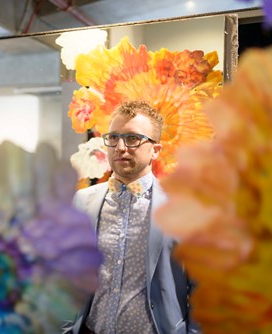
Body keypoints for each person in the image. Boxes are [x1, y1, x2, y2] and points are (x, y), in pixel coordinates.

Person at [64, 101, 199, 334]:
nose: (120, 147)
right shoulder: (81, 202)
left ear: (155, 149)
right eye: (113, 138)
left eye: (133, 139)